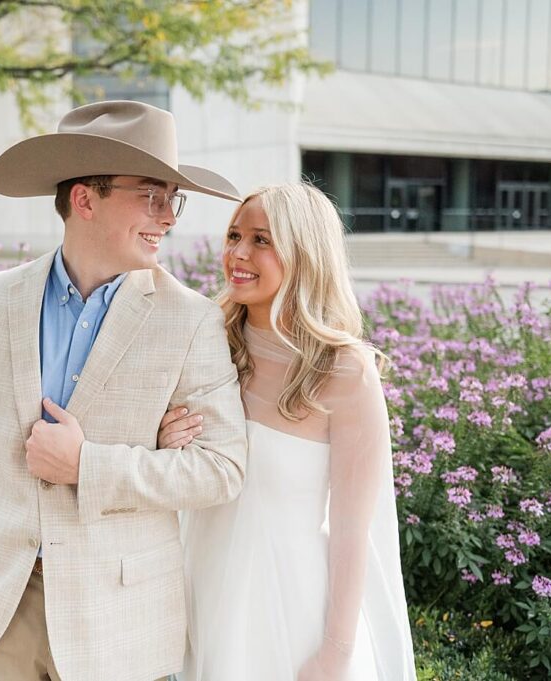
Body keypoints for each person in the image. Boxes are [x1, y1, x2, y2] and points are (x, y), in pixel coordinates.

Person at [0, 100, 249, 681]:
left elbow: (222, 468)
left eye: (174, 198)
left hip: (119, 622)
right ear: (85, 198)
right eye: (151, 195)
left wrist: (88, 465)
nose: (169, 217)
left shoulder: (191, 321)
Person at [159, 184, 416, 681]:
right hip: (205, 594)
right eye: (234, 235)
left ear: (304, 252)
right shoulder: (205, 342)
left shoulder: (345, 372)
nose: (237, 253)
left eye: (261, 240)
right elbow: (169, 471)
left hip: (293, 613)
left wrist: (335, 654)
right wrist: (166, 445)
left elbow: (352, 531)